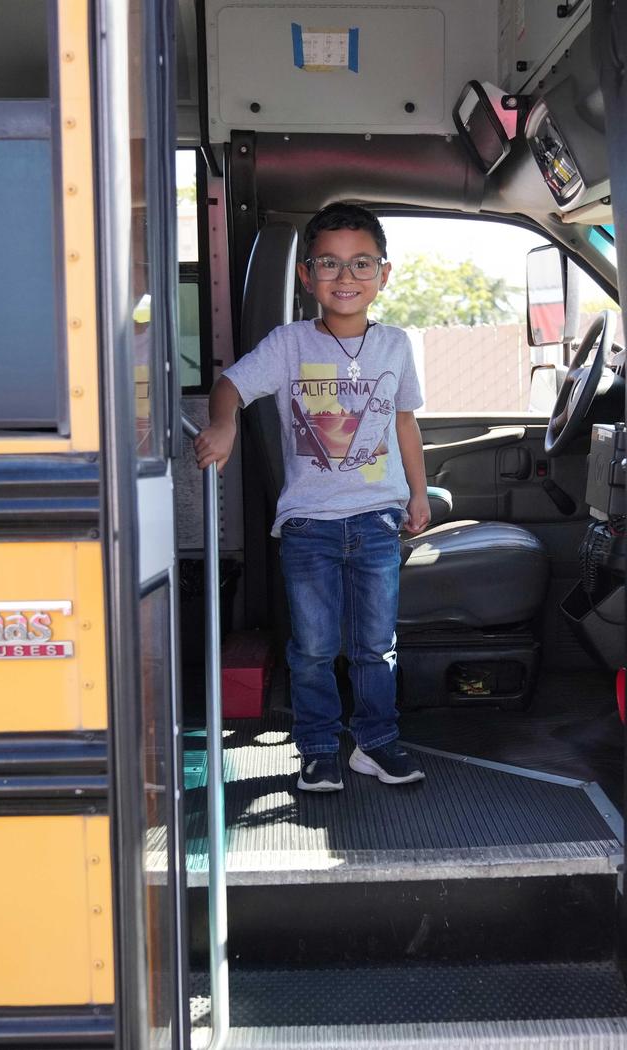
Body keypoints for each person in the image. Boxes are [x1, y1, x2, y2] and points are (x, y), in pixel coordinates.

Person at [194, 203, 430, 792]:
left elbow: (405, 423)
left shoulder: (395, 345)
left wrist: (418, 494)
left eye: (361, 263)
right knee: (315, 647)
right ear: (307, 275)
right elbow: (230, 386)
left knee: (376, 645)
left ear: (383, 274)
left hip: (377, 519)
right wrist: (223, 423)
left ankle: (375, 743)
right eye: (329, 263)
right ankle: (319, 747)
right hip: (308, 525)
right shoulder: (289, 344)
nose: (346, 277)